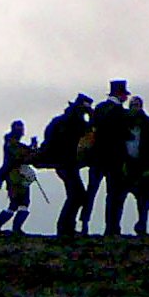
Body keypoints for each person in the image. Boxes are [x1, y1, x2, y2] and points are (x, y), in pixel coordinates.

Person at [80, 79, 132, 236]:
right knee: (113, 195)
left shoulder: (100, 109)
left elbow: (91, 130)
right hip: (114, 159)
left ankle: (84, 223)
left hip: (96, 157)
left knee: (91, 192)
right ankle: (111, 227)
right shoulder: (121, 113)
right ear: (120, 94)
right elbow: (125, 135)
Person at [41, 94, 93, 237]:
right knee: (78, 195)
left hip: (61, 163)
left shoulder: (61, 121)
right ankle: (65, 228)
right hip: (67, 163)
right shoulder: (76, 122)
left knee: (76, 195)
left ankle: (66, 227)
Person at [0, 120, 39, 233]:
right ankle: (9, 228)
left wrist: (32, 148)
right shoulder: (12, 144)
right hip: (16, 177)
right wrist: (32, 148)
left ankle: (4, 228)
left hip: (16, 176)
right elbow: (21, 156)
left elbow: (24, 154)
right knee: (18, 204)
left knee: (19, 203)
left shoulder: (11, 143)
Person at [122, 96, 149, 236]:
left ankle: (142, 224)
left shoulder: (147, 124)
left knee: (143, 198)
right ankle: (113, 228)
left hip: (141, 164)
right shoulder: (124, 123)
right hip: (126, 163)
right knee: (119, 196)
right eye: (133, 105)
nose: (135, 107)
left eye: (137, 105)